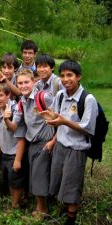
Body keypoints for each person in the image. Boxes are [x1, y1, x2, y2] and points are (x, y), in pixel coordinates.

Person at [40, 60, 98, 225]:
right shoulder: (60, 95)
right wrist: (52, 124)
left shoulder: (88, 99)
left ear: (78, 76)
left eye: (70, 75)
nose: (66, 79)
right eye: (63, 75)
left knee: (72, 185)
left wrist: (64, 121)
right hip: (61, 146)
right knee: (59, 181)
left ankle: (71, 219)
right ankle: (64, 211)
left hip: (77, 148)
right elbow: (59, 120)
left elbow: (87, 129)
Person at [10, 68, 55, 219]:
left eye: (26, 82)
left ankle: (42, 209)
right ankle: (39, 205)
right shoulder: (21, 102)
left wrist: (53, 141)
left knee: (39, 175)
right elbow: (16, 125)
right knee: (35, 175)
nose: (23, 86)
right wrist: (6, 118)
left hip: (44, 142)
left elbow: (60, 118)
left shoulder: (44, 97)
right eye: (20, 83)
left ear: (34, 82)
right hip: (32, 143)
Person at [0, 81, 27, 209]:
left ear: (8, 95)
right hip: (4, 151)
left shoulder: (15, 109)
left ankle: (15, 206)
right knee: (9, 180)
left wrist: (17, 160)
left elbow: (20, 136)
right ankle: (16, 202)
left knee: (15, 181)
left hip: (15, 152)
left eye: (0, 95)